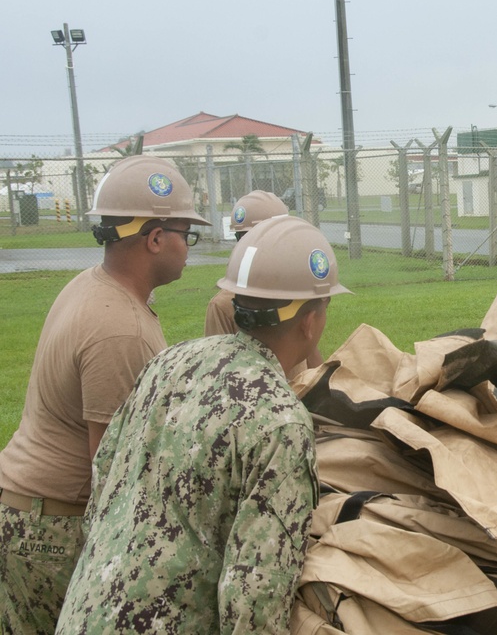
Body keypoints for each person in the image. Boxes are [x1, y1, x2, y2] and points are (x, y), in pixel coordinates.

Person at [56, 215, 352, 634]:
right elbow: (254, 602)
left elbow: (103, 480)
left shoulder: (170, 362)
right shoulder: (281, 422)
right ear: (309, 321)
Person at [0, 155, 210, 634]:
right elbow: (113, 473)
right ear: (155, 238)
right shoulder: (120, 329)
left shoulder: (91, 287)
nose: (188, 248)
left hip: (28, 514)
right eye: (186, 235)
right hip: (54, 529)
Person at [204, 190, 322, 380]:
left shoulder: (298, 289)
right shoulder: (224, 305)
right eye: (241, 239)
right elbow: (217, 372)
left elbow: (310, 350)